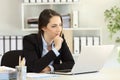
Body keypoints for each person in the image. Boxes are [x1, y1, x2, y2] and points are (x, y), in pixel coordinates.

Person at [23, 9, 75, 73]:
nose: (59, 29)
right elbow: (34, 67)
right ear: (43, 27)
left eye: (60, 25)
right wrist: (56, 49)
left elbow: (71, 64)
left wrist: (50, 68)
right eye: (54, 26)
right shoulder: (30, 40)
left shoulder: (60, 39)